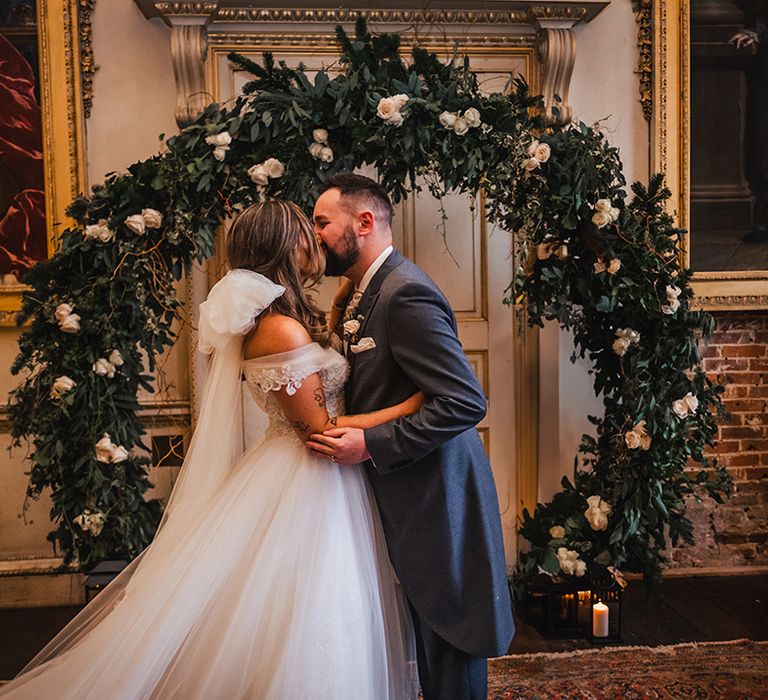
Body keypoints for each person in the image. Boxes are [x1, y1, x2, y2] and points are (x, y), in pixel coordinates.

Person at [0, 200, 420, 699]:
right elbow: (320, 428)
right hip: (309, 478)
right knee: (311, 606)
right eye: (308, 230)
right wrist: (410, 406)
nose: (317, 239)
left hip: (314, 477)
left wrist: (336, 306)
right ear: (285, 245)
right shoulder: (278, 329)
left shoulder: (283, 319)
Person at [308, 174, 515, 700]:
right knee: (426, 635)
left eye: (322, 223)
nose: (315, 236)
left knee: (450, 637)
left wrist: (369, 445)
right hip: (408, 493)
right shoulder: (361, 292)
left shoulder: (405, 293)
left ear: (365, 222)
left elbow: (465, 402)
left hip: (437, 493)